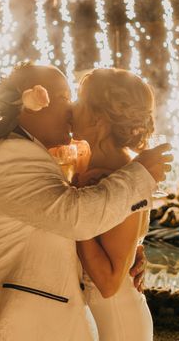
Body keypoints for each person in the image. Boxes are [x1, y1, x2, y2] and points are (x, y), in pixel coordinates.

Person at [0, 63, 172, 341]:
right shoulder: (13, 156)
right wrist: (140, 176)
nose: (71, 109)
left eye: (74, 99)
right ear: (30, 105)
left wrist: (129, 247)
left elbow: (70, 215)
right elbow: (74, 216)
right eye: (65, 98)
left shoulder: (21, 153)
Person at [72, 68, 156, 340]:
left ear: (99, 119)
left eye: (79, 100)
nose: (72, 107)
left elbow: (108, 282)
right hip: (90, 316)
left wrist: (76, 205)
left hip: (117, 322)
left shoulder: (124, 176)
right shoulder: (89, 165)